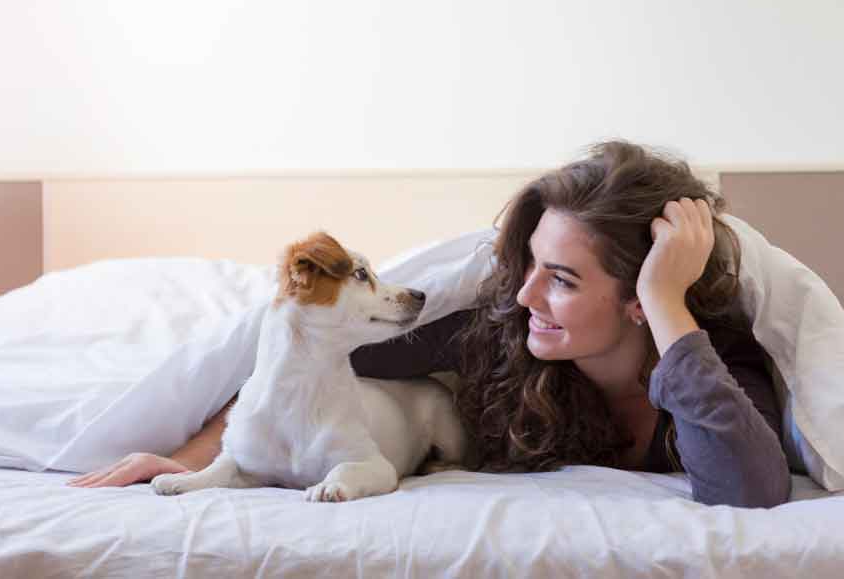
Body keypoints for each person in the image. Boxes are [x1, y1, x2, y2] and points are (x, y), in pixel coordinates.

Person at [69, 140, 791, 508]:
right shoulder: (491, 334)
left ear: (640, 295)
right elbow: (301, 360)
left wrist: (668, 305)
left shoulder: (716, 365)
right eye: (530, 265)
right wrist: (195, 458)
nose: (524, 294)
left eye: (563, 279)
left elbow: (747, 487)